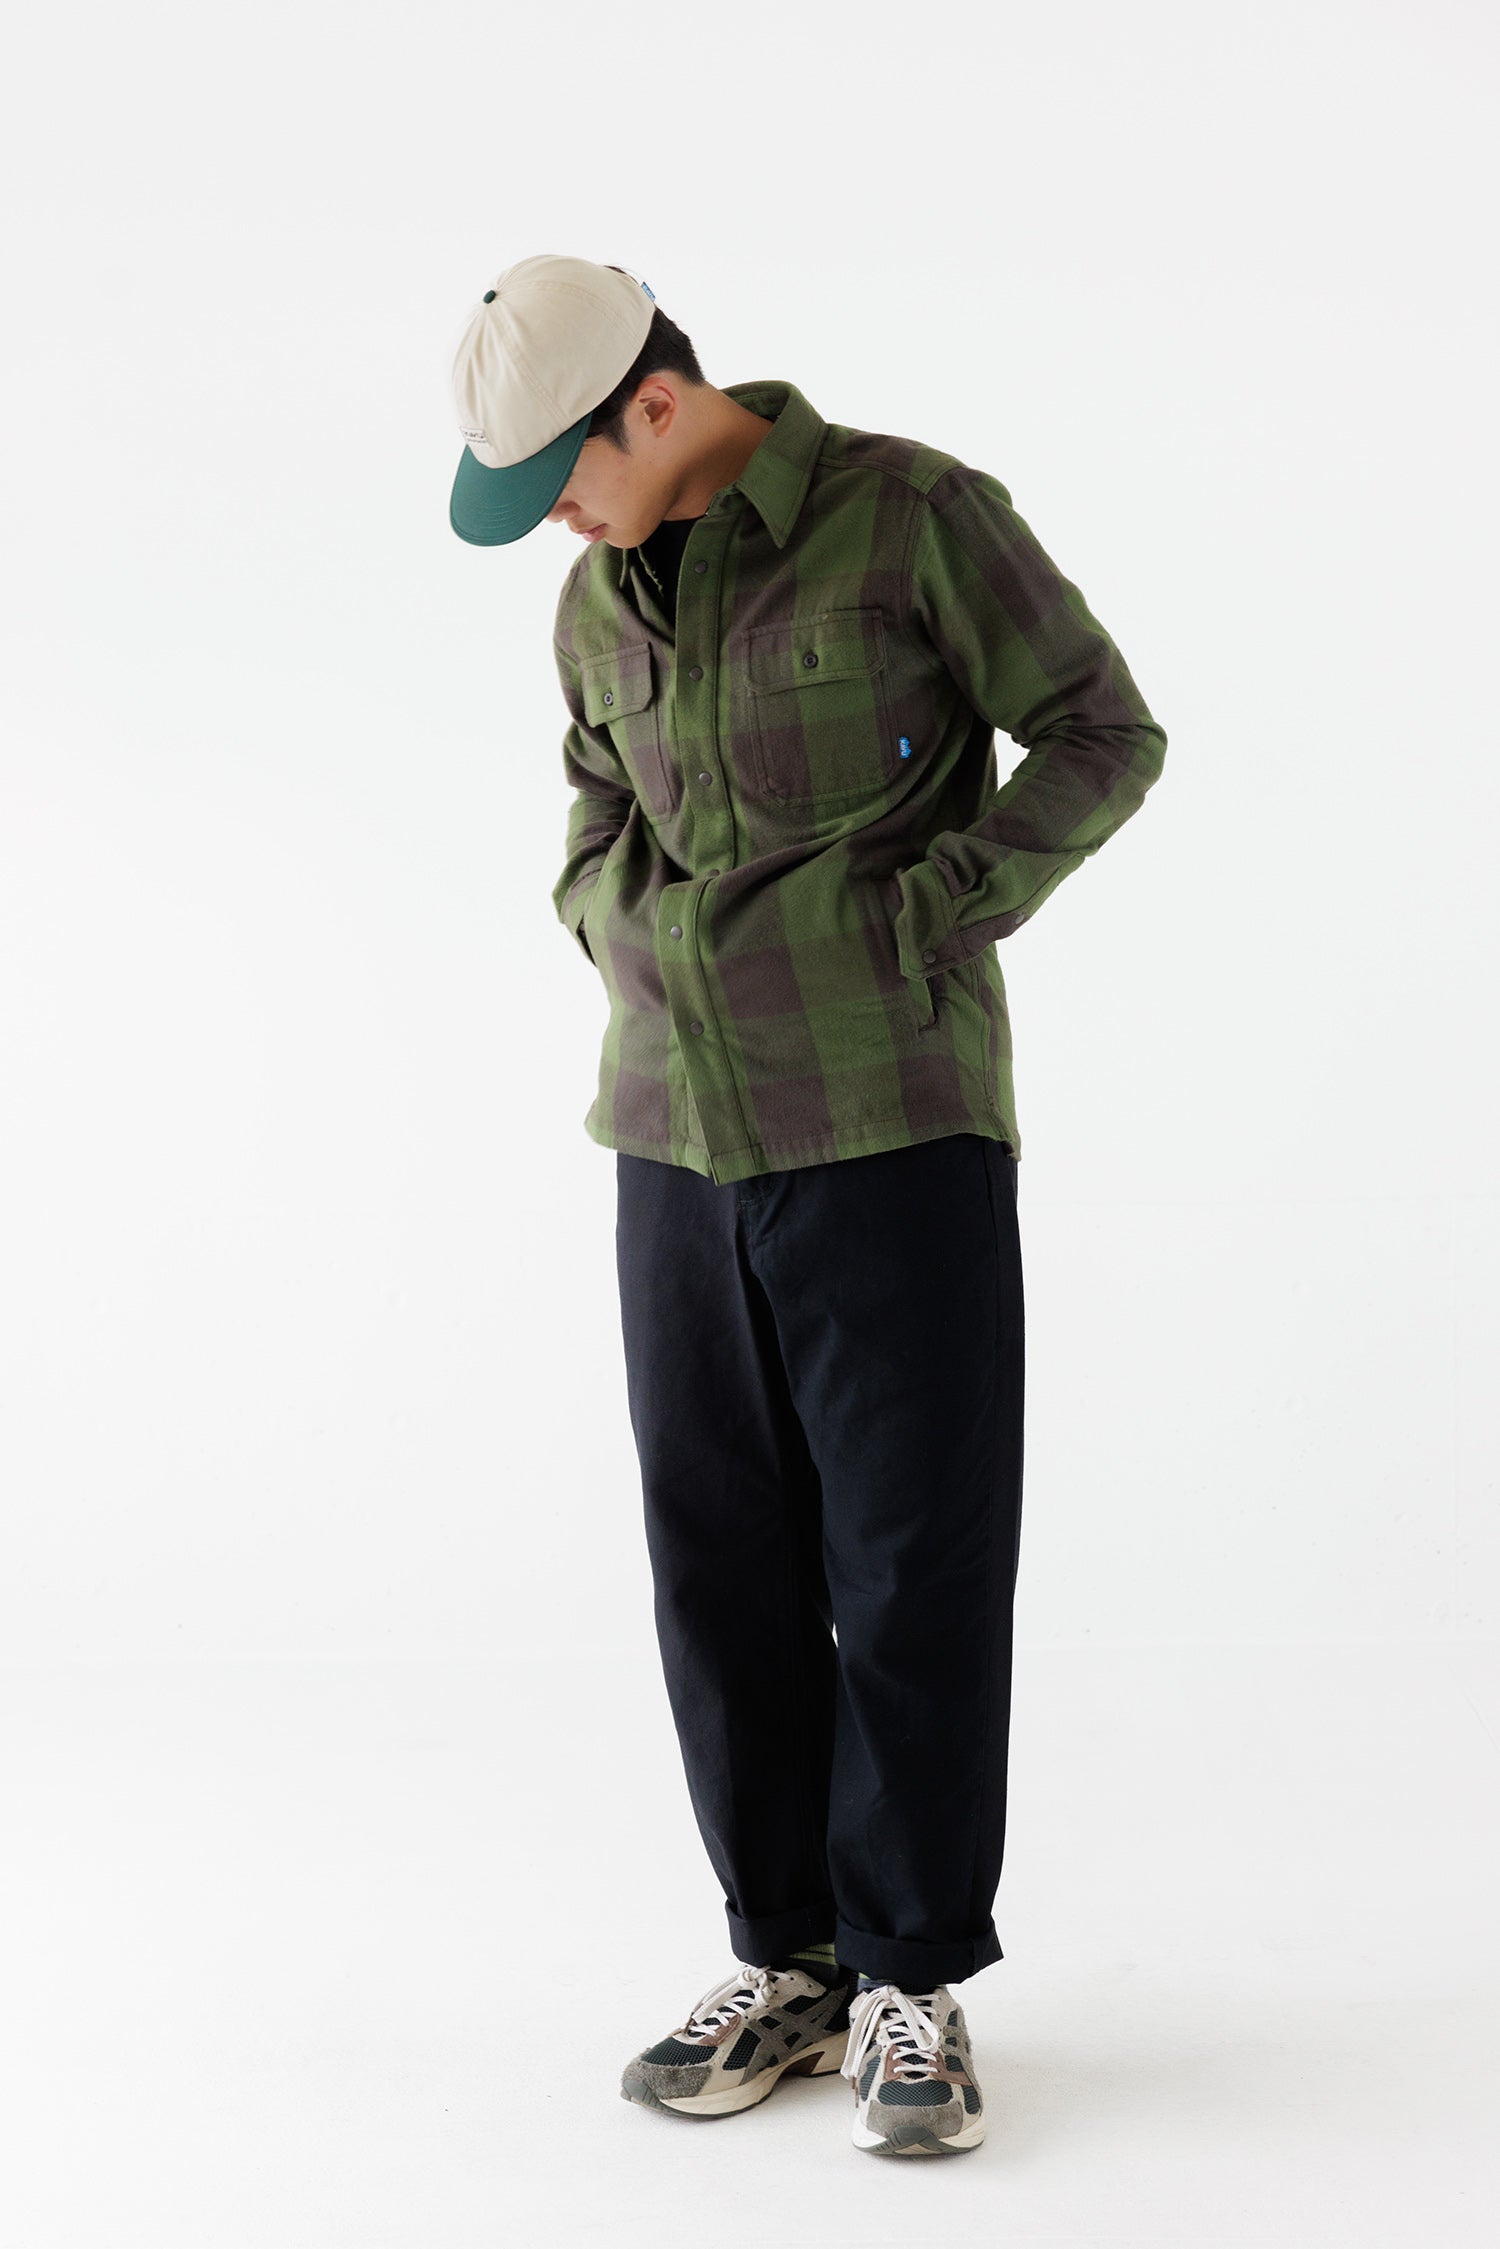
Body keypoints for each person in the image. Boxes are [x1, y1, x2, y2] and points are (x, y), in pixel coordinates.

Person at [447, 254, 1167, 2159]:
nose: (559, 523)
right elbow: (596, 810)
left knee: (911, 1557)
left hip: (891, 1119)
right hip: (672, 1138)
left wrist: (930, 911)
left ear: (655, 402)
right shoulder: (598, 602)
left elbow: (1104, 728)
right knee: (719, 1562)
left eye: (565, 477)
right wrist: (611, 922)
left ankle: (912, 1971)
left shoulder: (913, 518)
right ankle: (788, 1952)